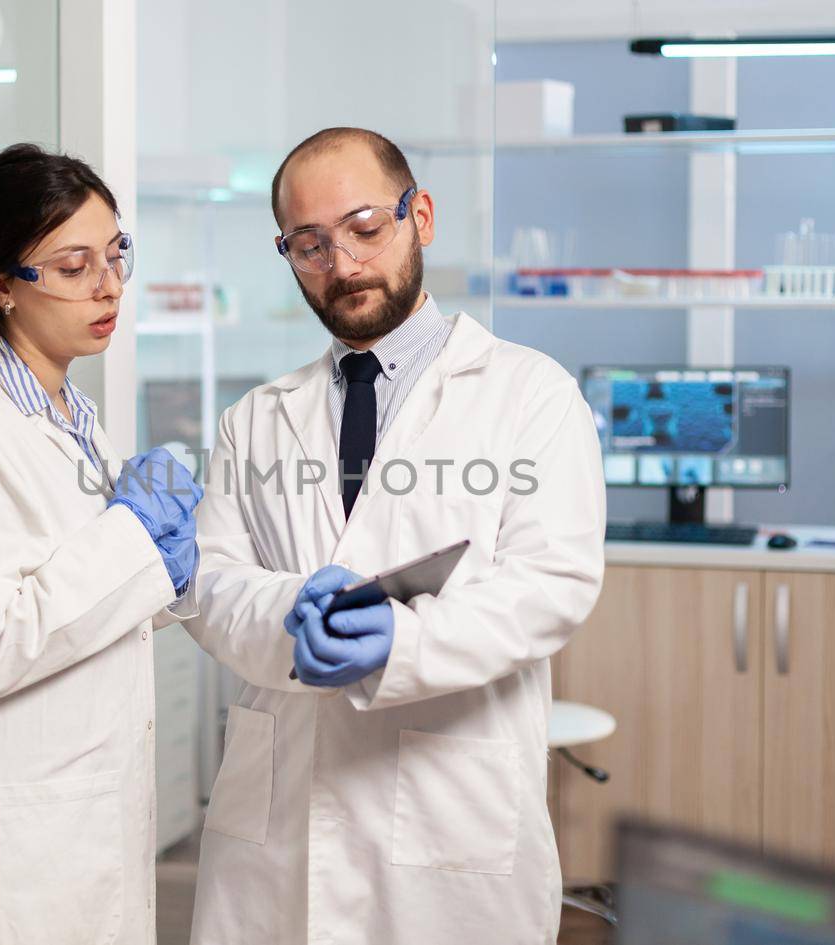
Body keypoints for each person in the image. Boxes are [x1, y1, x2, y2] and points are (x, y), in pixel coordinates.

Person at [182, 127, 606, 944]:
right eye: (309, 245)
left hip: (448, 818)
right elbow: (210, 582)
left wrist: (400, 642)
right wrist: (286, 607)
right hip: (281, 832)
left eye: (365, 228)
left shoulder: (530, 395)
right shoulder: (256, 418)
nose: (341, 265)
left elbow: (552, 585)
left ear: (422, 216)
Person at [0, 143, 202, 945]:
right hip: (13, 843)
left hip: (81, 821)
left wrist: (163, 569)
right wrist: (136, 540)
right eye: (73, 266)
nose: (109, 286)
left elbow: (82, 595)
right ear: (1, 286)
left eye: (115, 254)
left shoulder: (70, 413)